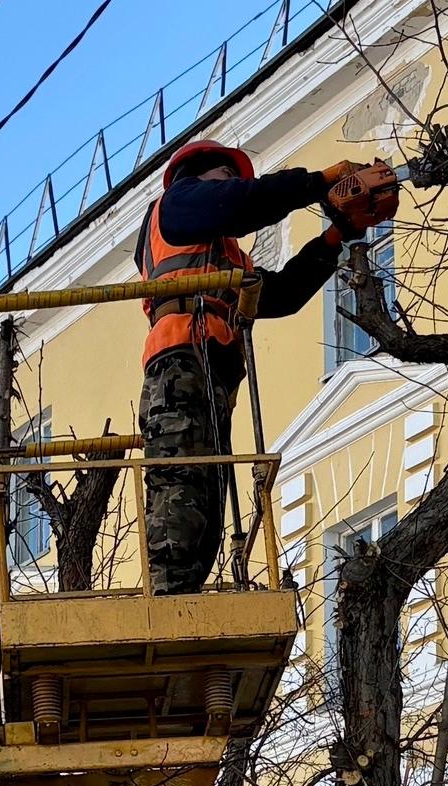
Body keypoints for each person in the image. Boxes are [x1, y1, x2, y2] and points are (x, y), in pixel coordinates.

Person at [136, 139, 399, 595]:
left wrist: (335, 234)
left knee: (207, 497)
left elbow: (280, 296)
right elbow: (243, 203)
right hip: (178, 361)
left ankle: (185, 594)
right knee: (180, 488)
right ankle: (169, 599)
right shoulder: (175, 208)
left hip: (208, 372)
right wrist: (319, 182)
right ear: (198, 176)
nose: (238, 186)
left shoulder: (225, 251)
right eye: (228, 178)